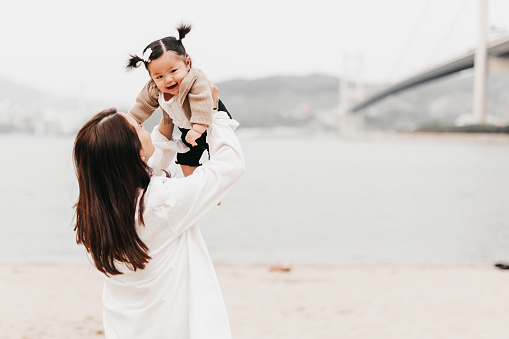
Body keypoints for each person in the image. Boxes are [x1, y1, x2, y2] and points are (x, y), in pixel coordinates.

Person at [73, 108, 244, 339]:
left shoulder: (96, 214)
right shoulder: (159, 202)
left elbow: (144, 170)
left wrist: (167, 121)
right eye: (140, 127)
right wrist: (213, 114)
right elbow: (229, 166)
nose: (145, 128)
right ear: (131, 151)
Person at [127, 23, 230, 177]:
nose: (168, 80)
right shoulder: (154, 89)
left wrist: (198, 128)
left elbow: (202, 101)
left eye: (173, 71)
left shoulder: (195, 79)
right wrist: (129, 123)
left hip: (209, 121)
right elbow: (142, 106)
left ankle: (218, 187)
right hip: (188, 129)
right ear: (152, 77)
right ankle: (195, 185)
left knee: (218, 154)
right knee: (185, 159)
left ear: (187, 63)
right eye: (159, 76)